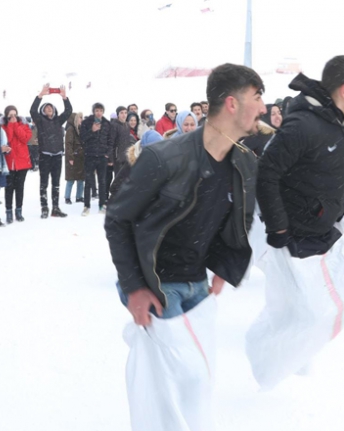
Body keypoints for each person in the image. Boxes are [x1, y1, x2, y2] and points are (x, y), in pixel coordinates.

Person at [104, 64, 263, 427]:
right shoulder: (165, 157)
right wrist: (133, 287)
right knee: (173, 386)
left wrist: (224, 263)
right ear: (232, 104)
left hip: (197, 285)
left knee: (197, 381)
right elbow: (118, 219)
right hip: (159, 285)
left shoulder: (243, 162)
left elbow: (234, 218)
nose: (263, 107)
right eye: (256, 97)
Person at [257, 55, 344, 257]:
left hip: (328, 231)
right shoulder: (302, 125)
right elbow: (266, 174)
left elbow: (332, 170)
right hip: (299, 241)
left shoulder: (339, 124)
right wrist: (278, 227)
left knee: (335, 288)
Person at [29, 84, 72, 218]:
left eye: (51, 107)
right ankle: (44, 208)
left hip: (57, 156)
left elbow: (68, 111)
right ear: (43, 111)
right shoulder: (40, 121)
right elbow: (32, 110)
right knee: (44, 183)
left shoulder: (58, 121)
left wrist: (64, 98)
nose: (49, 109)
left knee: (56, 183)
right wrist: (40, 95)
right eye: (46, 108)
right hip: (45, 156)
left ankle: (55, 208)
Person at [1, 106, 33, 223]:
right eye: (10, 115)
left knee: (20, 188)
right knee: (9, 188)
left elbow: (25, 138)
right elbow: (6, 139)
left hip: (22, 162)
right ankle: (8, 211)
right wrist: (11, 125)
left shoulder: (24, 125)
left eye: (15, 115)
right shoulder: (3, 127)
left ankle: (18, 211)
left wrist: (15, 126)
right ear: (6, 116)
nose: (13, 117)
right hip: (9, 163)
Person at [81, 103, 112, 215]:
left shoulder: (107, 123)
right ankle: (86, 206)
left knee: (102, 181)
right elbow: (82, 139)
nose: (99, 113)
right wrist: (92, 131)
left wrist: (108, 153)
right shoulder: (86, 122)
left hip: (102, 156)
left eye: (100, 110)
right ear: (93, 111)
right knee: (88, 181)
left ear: (103, 112)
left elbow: (110, 140)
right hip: (89, 155)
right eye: (97, 110)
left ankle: (102, 205)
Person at [108, 106, 131, 199]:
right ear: (118, 114)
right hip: (117, 157)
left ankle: (122, 196)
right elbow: (111, 142)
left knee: (125, 177)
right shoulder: (114, 125)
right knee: (118, 178)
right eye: (121, 113)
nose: (124, 115)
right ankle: (114, 197)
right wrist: (110, 158)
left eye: (125, 113)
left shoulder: (126, 125)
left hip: (125, 156)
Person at [64, 112, 85, 205]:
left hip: (81, 158)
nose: (82, 119)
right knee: (70, 179)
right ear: (75, 119)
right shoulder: (71, 129)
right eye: (80, 118)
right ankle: (67, 197)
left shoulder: (80, 129)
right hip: (73, 158)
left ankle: (79, 196)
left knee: (81, 179)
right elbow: (68, 144)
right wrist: (70, 157)